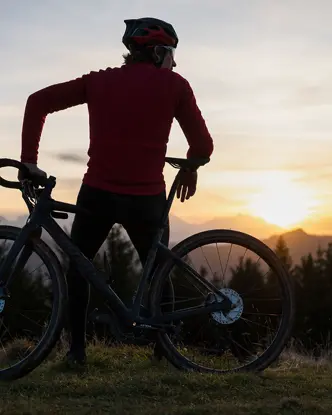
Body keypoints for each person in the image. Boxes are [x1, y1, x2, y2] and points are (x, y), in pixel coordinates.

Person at [19, 17, 214, 366]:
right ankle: (163, 353)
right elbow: (202, 144)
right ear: (156, 52)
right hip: (148, 199)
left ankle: (77, 352)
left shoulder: (98, 82)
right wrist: (191, 166)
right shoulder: (176, 86)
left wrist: (30, 161)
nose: (174, 62)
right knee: (157, 275)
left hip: (98, 195)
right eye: (171, 53)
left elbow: (37, 102)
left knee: (78, 269)